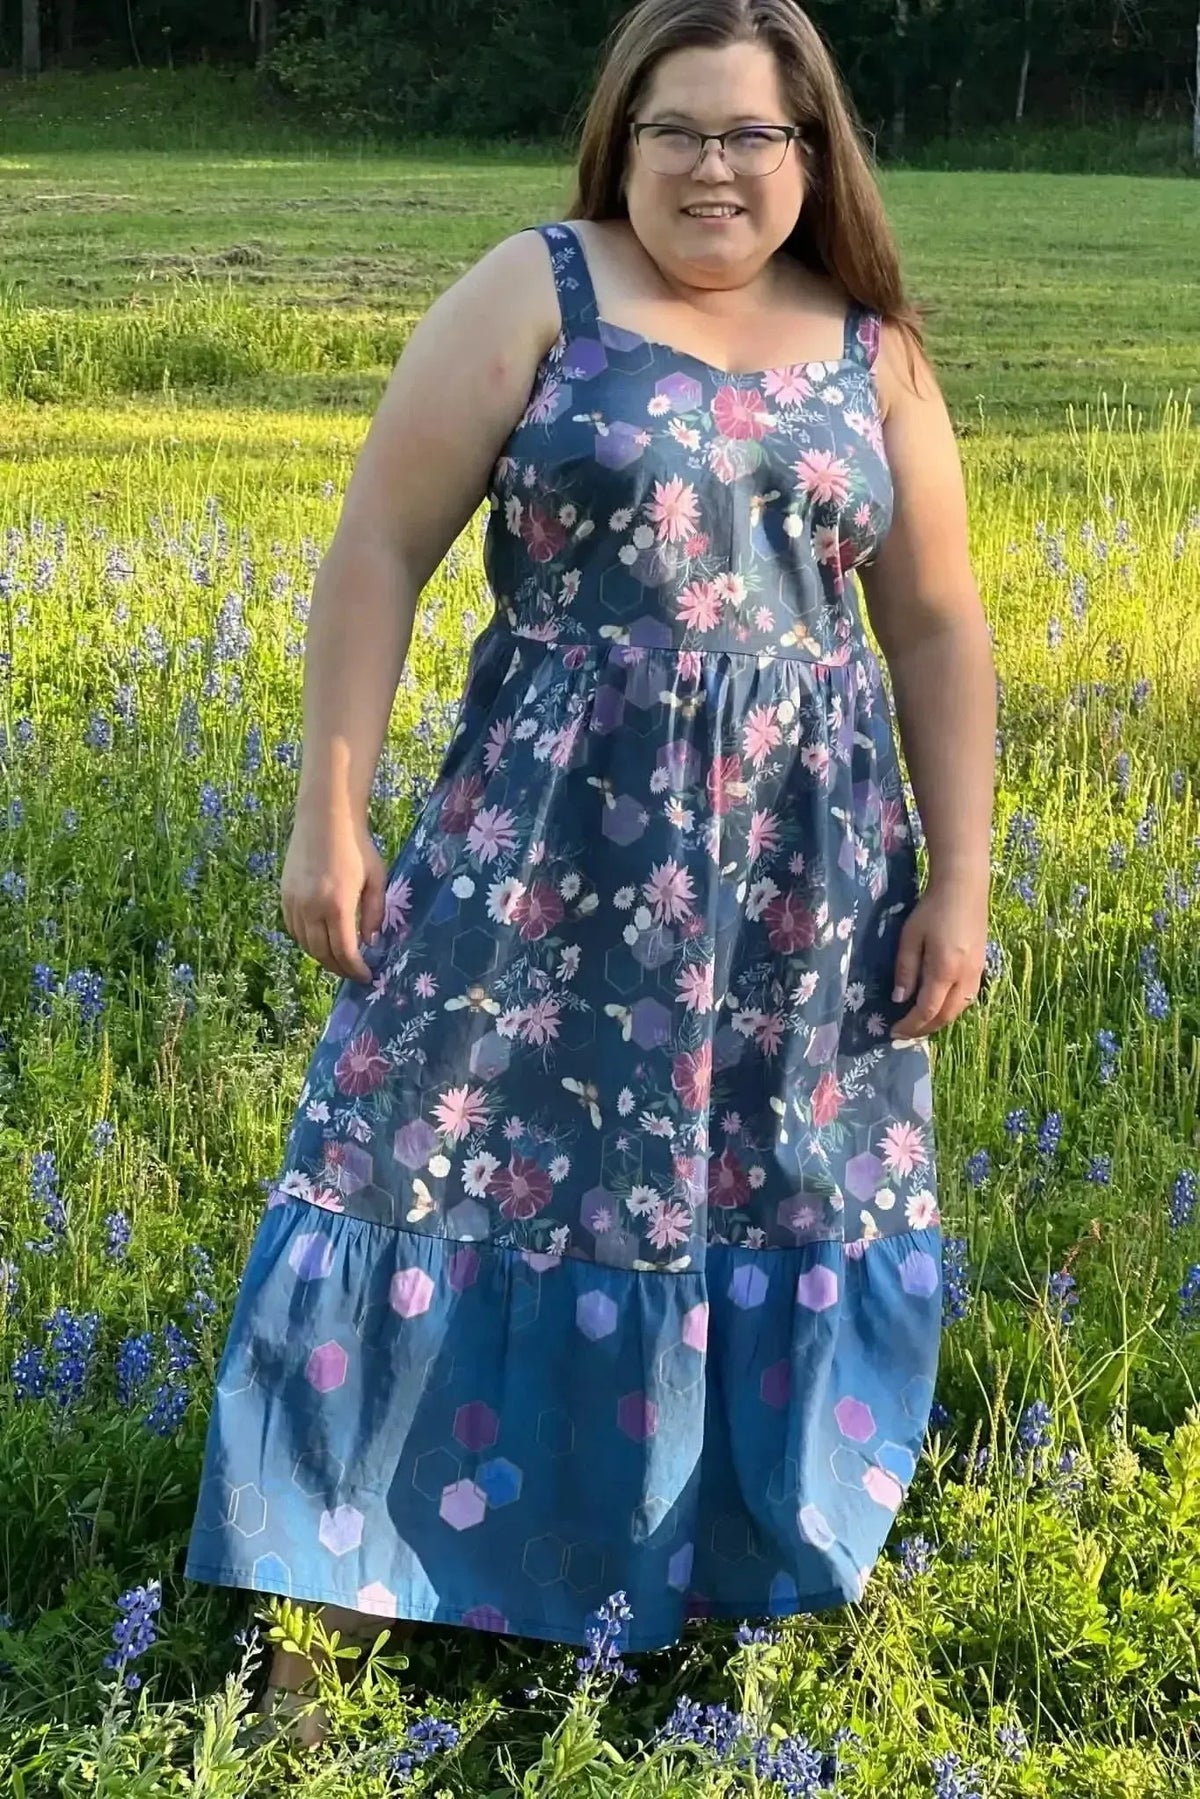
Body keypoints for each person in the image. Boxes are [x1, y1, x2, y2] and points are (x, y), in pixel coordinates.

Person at [184, 0, 996, 1750]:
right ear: (620, 142)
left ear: (813, 154)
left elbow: (935, 629)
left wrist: (964, 876)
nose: (716, 164)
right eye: (679, 129)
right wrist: (328, 810)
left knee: (762, 1188)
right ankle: (314, 1630)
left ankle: (715, 1572)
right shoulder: (534, 291)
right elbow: (378, 550)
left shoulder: (875, 354)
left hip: (800, 884)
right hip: (541, 853)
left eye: (754, 134)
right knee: (411, 1158)